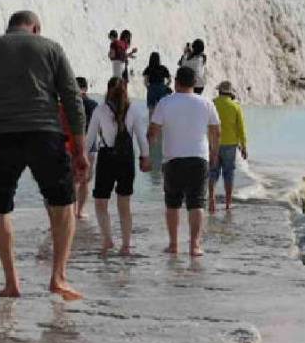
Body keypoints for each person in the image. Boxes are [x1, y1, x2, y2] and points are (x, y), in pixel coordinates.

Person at [0, 11, 88, 301]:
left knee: (0, 207)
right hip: (44, 134)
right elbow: (72, 98)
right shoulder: (51, 48)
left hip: (0, 136)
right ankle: (58, 277)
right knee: (63, 202)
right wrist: (80, 146)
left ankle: (11, 282)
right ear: (35, 27)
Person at [148, 66, 220, 256]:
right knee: (196, 203)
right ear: (194, 83)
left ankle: (173, 244)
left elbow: (153, 130)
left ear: (176, 82)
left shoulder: (165, 103)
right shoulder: (206, 103)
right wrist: (214, 152)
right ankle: (194, 246)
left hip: (173, 158)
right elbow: (216, 130)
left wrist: (150, 147)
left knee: (172, 203)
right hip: (199, 158)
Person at [85, 77, 151, 256]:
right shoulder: (134, 110)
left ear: (107, 90)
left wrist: (83, 159)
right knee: (124, 203)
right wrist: (145, 158)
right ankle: (126, 245)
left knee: (101, 201)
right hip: (126, 158)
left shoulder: (100, 110)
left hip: (107, 158)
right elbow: (141, 138)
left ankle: (107, 240)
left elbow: (90, 138)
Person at [209, 81, 247, 214]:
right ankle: (228, 203)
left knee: (212, 172)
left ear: (219, 91)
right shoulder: (235, 107)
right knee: (228, 173)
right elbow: (241, 128)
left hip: (213, 143)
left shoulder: (212, 104)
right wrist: (244, 146)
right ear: (230, 93)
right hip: (230, 145)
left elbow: (206, 124)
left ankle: (211, 200)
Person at [74, 77, 100, 220]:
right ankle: (79, 211)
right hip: (90, 146)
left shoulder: (67, 103)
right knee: (84, 180)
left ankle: (72, 211)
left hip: (72, 145)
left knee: (73, 180)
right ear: (86, 88)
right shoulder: (93, 104)